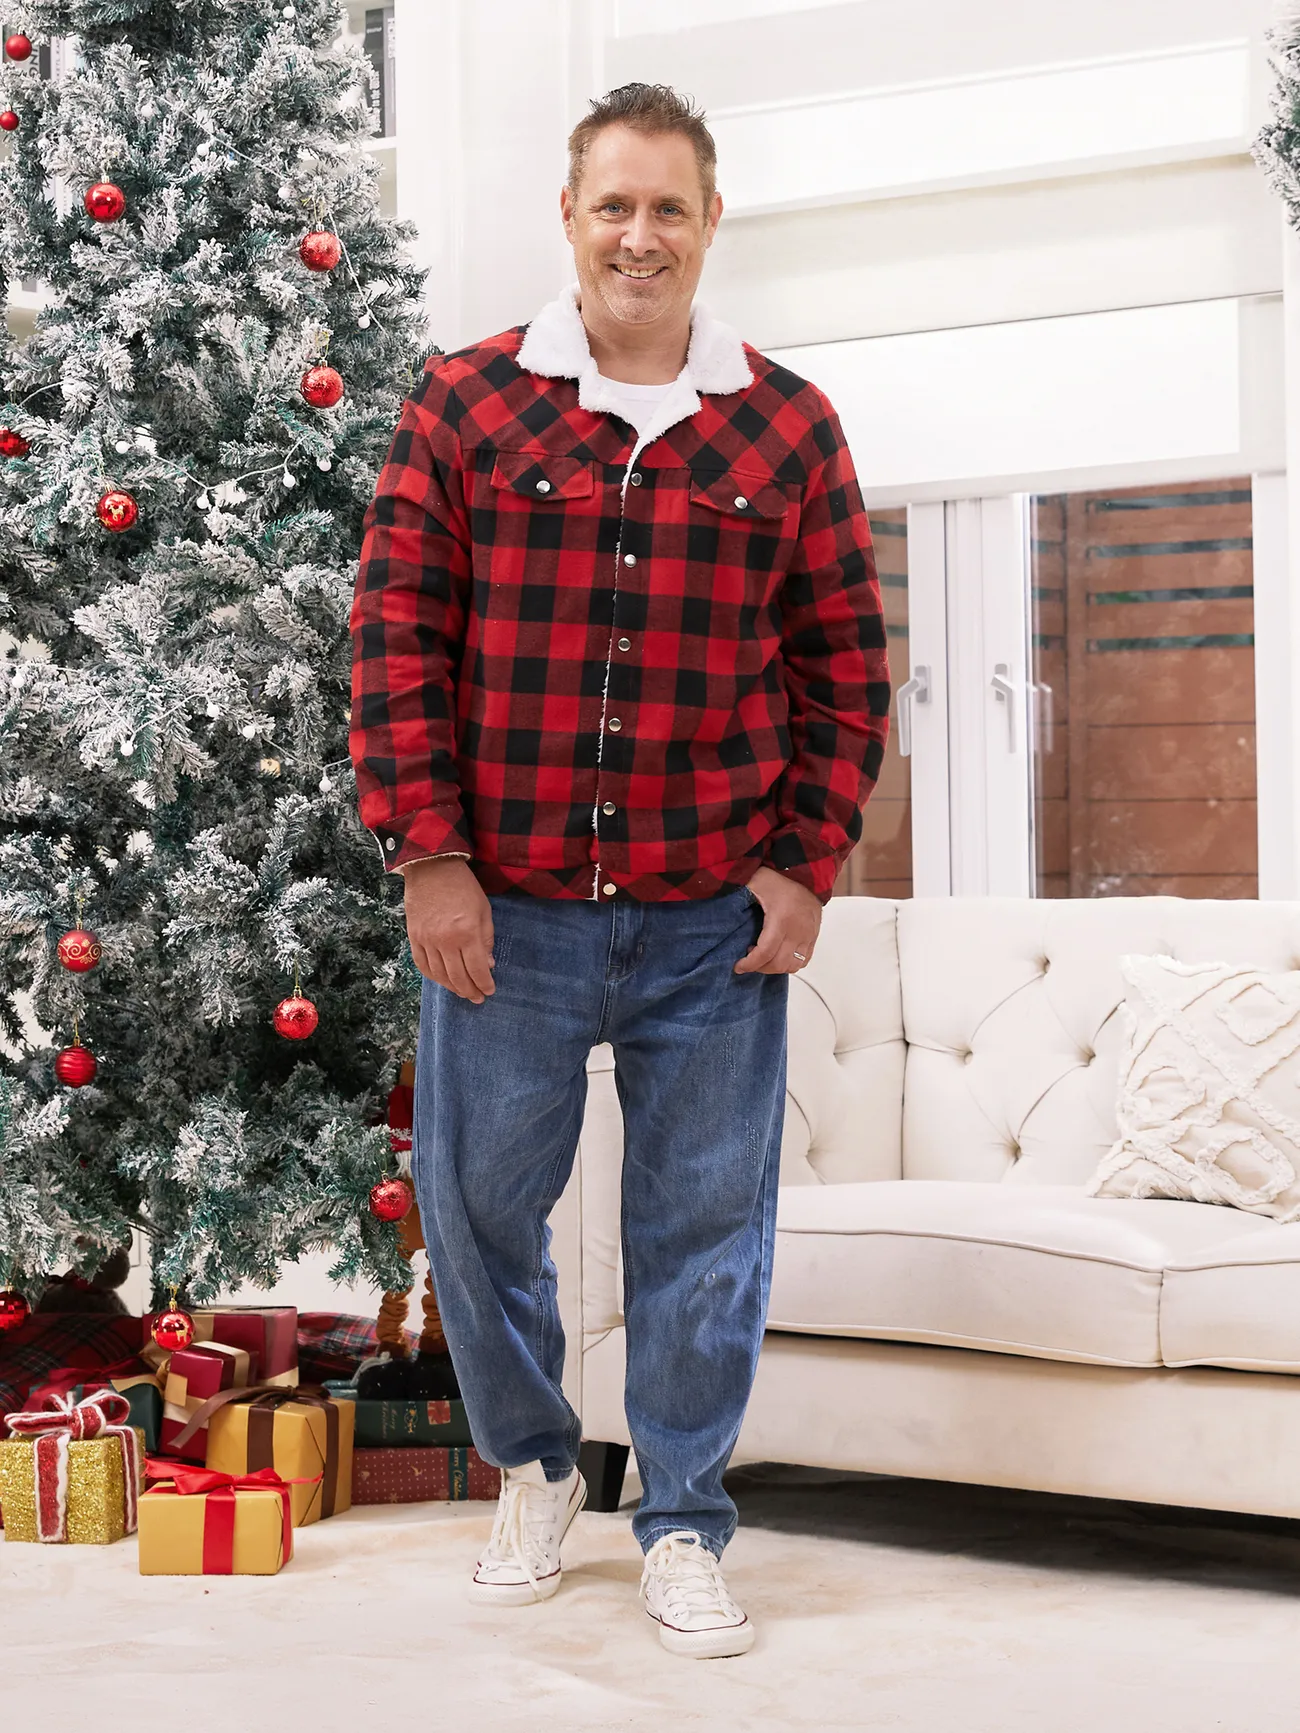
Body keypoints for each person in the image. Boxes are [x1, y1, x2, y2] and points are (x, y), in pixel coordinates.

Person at [349, 81, 889, 1660]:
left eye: (670, 207)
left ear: (710, 224)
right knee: (476, 1209)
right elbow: (395, 642)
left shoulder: (786, 427)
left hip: (708, 918)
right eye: (613, 205)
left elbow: (846, 665)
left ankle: (683, 1520)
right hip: (501, 911)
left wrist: (802, 871)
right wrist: (430, 860)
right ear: (570, 220)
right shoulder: (464, 407)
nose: (638, 235)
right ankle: (531, 1466)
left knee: (706, 1234)